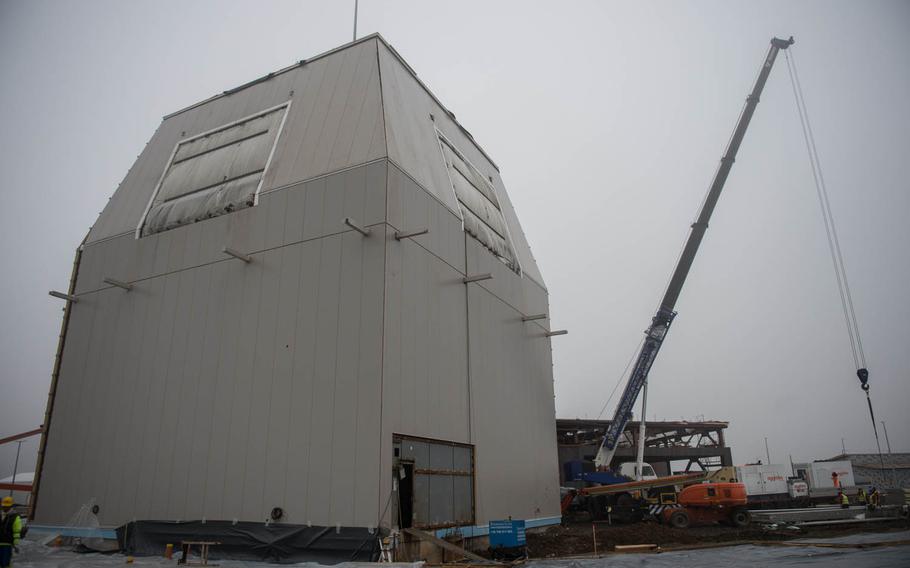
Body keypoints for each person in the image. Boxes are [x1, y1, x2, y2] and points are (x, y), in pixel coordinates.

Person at [0, 496, 21, 568]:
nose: (4, 508)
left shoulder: (15, 517)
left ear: (11, 506)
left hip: (7, 544)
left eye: (6, 506)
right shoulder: (1, 515)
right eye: (3, 506)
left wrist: (16, 544)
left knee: (5, 563)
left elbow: (16, 531)